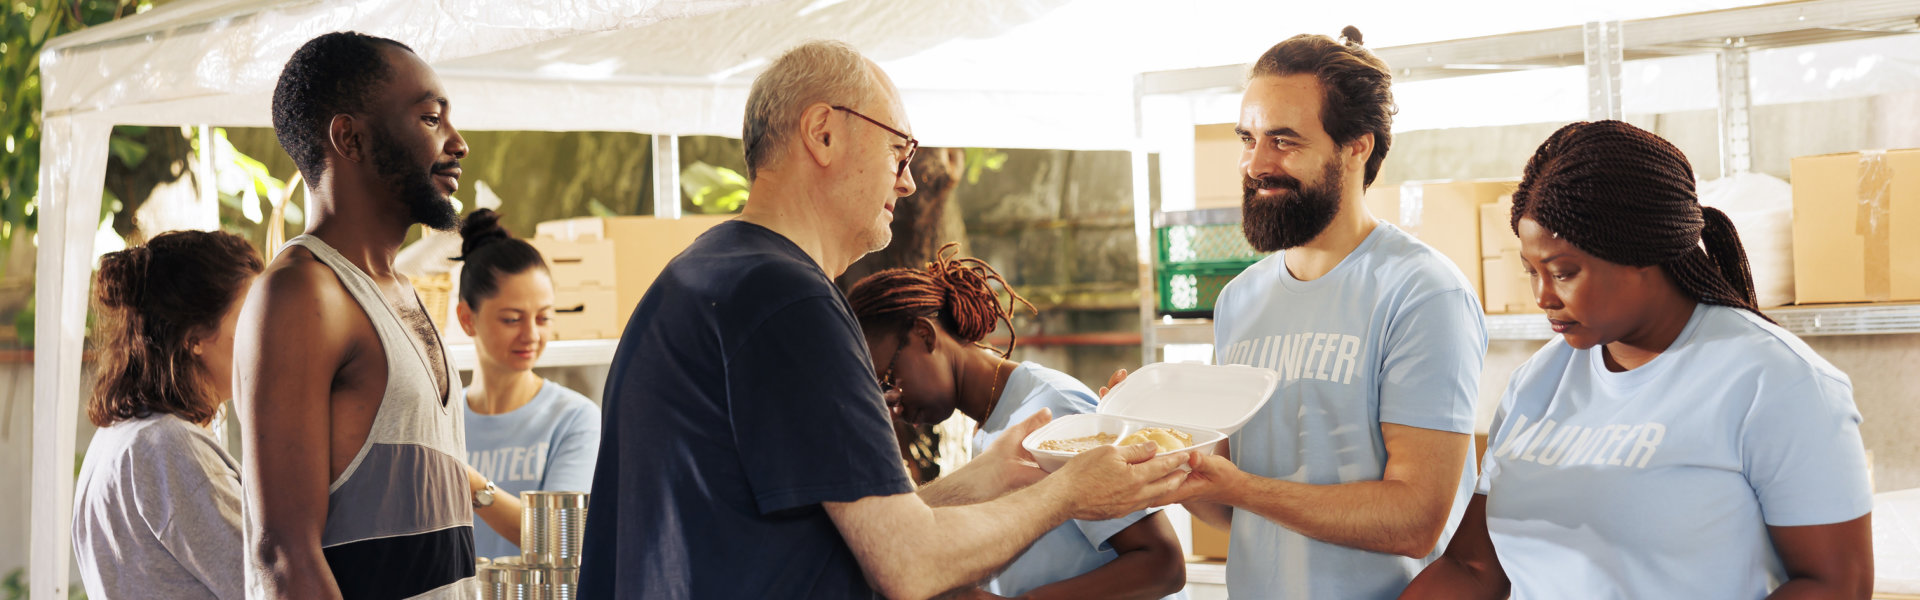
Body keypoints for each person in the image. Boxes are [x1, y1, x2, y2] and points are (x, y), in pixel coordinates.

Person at [578, 39, 1190, 600]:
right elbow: (908, 563)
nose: (908, 180)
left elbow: (846, 527)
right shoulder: (791, 300)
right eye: (900, 149)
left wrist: (985, 478)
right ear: (822, 133)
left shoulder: (701, 276)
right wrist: (1070, 491)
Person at [1400, 120, 1875, 599]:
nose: (1543, 296)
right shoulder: (1538, 382)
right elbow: (1473, 567)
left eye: (1564, 272)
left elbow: (1836, 585)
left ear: (1641, 253)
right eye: (1532, 270)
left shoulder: (1776, 383)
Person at [1149, 27, 1488, 599]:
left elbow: (1414, 520)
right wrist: (1162, 451)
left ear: (1357, 145)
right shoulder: (1239, 299)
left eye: (1283, 140)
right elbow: (1227, 510)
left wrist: (1243, 489)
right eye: (1247, 138)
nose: (1256, 163)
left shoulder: (1422, 293)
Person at [238, 31, 475, 599]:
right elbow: (283, 555)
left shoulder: (401, 290)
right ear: (349, 137)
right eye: (429, 119)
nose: (458, 142)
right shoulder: (302, 293)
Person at [846, 243, 1188, 600]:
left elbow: (1162, 564)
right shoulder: (988, 427)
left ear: (924, 335)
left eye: (887, 380)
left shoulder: (1054, 407)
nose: (892, 405)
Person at [72, 230, 263, 600]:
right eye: (251, 317)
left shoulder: (122, 436)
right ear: (194, 337)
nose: (266, 332)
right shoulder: (171, 449)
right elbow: (269, 585)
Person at [453, 208, 600, 559]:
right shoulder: (442, 420)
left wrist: (469, 484)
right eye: (512, 319)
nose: (531, 335)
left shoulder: (575, 419)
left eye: (543, 317)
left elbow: (560, 541)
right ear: (467, 319)